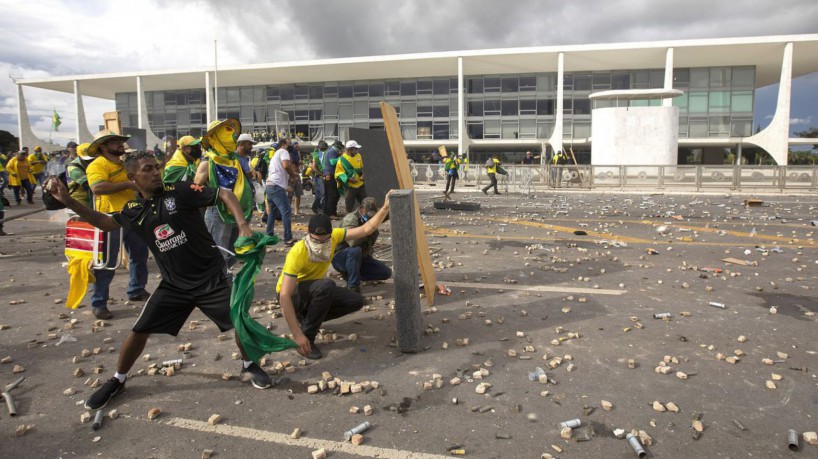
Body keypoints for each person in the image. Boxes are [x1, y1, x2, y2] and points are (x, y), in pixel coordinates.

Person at [45, 153, 278, 411]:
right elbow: (103, 222)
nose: (156, 172)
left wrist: (243, 224)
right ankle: (118, 379)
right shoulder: (134, 210)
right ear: (133, 178)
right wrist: (66, 199)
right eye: (148, 169)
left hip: (211, 278)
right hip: (174, 285)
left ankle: (248, 364)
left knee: (240, 321)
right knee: (138, 331)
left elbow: (224, 193)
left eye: (157, 167)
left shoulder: (179, 191)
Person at [278, 204, 391, 360]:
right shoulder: (298, 252)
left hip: (313, 290)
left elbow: (365, 230)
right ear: (308, 234)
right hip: (292, 296)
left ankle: (308, 319)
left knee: (356, 300)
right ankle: (307, 340)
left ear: (331, 235)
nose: (320, 245)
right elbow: (284, 295)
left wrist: (385, 207)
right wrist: (297, 334)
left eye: (325, 241)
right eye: (316, 241)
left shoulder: (336, 236)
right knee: (326, 286)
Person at [86, 130, 151, 319]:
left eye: (120, 141)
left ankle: (137, 290)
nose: (120, 144)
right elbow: (97, 187)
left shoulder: (123, 164)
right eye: (115, 142)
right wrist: (128, 185)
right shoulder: (98, 165)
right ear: (104, 147)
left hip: (131, 214)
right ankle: (99, 302)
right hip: (109, 218)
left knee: (139, 254)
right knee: (107, 262)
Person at [194, 119, 254, 271]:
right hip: (218, 213)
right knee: (219, 253)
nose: (232, 136)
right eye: (226, 132)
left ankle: (218, 277)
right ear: (216, 137)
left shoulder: (233, 160)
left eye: (231, 132)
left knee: (233, 252)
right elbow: (196, 190)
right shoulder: (208, 161)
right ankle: (217, 284)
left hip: (237, 212)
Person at [332, 197, 392, 293]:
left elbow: (385, 215)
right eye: (368, 215)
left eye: (373, 215)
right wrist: (368, 228)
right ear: (361, 209)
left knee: (386, 272)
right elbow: (353, 242)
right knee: (355, 251)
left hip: (360, 258)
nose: (371, 218)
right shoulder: (351, 219)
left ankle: (353, 274)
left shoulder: (370, 217)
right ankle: (353, 288)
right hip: (342, 256)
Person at [264, 137, 296, 245]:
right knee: (286, 211)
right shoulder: (283, 151)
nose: (291, 145)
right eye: (289, 143)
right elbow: (286, 165)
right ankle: (288, 238)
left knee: (272, 212)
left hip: (270, 185)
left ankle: (268, 235)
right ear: (283, 144)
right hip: (276, 186)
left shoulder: (275, 155)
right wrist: (292, 175)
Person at [335, 140, 367, 213]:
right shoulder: (342, 160)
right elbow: (338, 174)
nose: (357, 151)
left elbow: (360, 168)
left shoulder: (358, 156)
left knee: (366, 204)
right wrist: (349, 179)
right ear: (350, 150)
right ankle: (348, 220)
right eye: (355, 149)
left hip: (361, 185)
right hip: (350, 187)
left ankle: (366, 220)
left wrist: (362, 175)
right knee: (349, 207)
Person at [65, 143, 95, 208]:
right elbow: (89, 185)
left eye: (92, 159)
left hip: (90, 199)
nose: (90, 161)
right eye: (87, 159)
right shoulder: (73, 169)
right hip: (79, 201)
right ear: (78, 156)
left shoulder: (87, 164)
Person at [321, 140, 342, 218]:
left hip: (327, 175)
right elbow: (333, 162)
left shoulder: (328, 150)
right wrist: (341, 157)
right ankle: (331, 213)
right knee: (333, 194)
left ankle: (327, 212)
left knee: (329, 194)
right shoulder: (332, 151)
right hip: (330, 175)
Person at [309, 142, 326, 214]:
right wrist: (321, 174)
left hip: (319, 176)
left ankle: (318, 207)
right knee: (321, 193)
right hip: (318, 177)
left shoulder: (319, 154)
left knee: (320, 193)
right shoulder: (317, 155)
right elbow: (313, 166)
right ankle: (315, 206)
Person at [288, 141, 303, 216]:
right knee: (290, 195)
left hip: (297, 175)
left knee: (298, 194)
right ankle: (288, 210)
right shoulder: (289, 155)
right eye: (295, 147)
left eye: (298, 147)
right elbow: (289, 166)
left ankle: (296, 210)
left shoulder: (297, 154)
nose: (297, 148)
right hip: (291, 176)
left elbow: (299, 163)